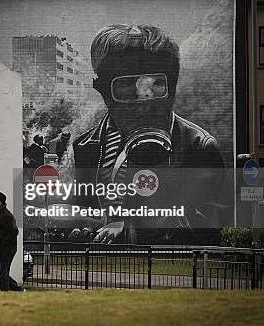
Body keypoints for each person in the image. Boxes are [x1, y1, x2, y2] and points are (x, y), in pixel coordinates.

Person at [71, 24, 225, 244]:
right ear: (103, 90)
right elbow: (85, 212)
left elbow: (207, 226)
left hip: (162, 268)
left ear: (172, 88)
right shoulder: (87, 146)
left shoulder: (199, 147)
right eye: (126, 84)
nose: (144, 97)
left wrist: (130, 228)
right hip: (102, 267)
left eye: (156, 83)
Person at [0, 191, 21, 291]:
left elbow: (14, 231)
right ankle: (16, 289)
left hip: (7, 249)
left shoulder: (6, 215)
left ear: (0, 202)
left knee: (2, 272)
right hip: (1, 248)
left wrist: (3, 243)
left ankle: (3, 292)